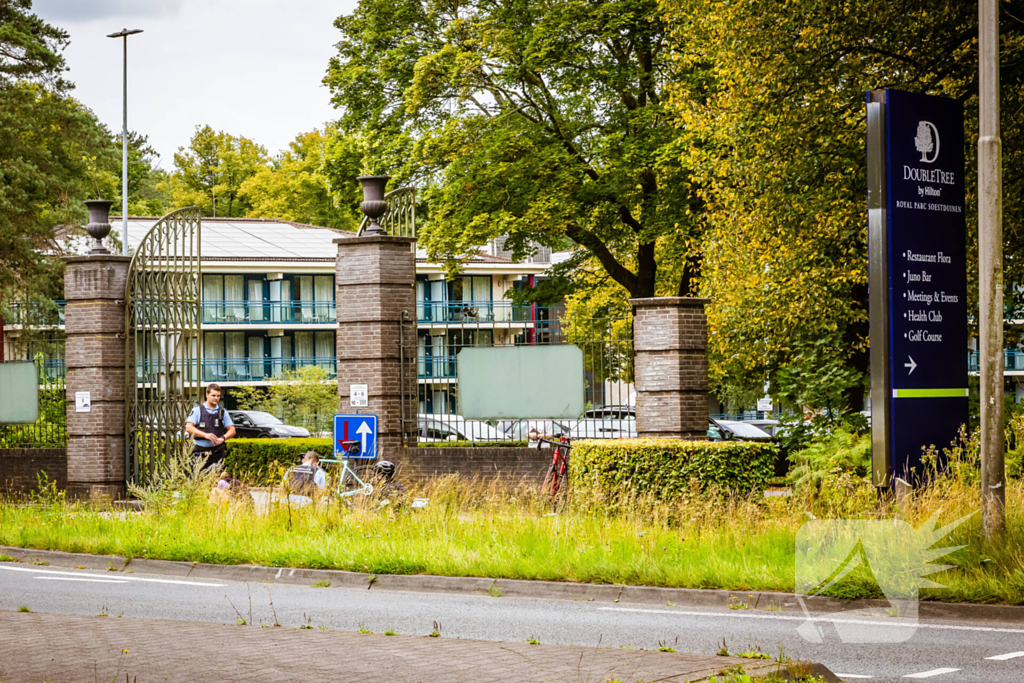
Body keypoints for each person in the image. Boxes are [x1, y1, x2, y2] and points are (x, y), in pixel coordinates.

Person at [185, 384, 235, 467]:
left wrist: (222, 438)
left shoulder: (222, 412)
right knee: (199, 478)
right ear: (207, 394)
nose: (216, 398)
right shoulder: (198, 410)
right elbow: (188, 427)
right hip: (200, 452)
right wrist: (205, 435)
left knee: (218, 478)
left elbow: (232, 430)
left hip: (217, 452)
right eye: (213, 395)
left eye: (218, 396)